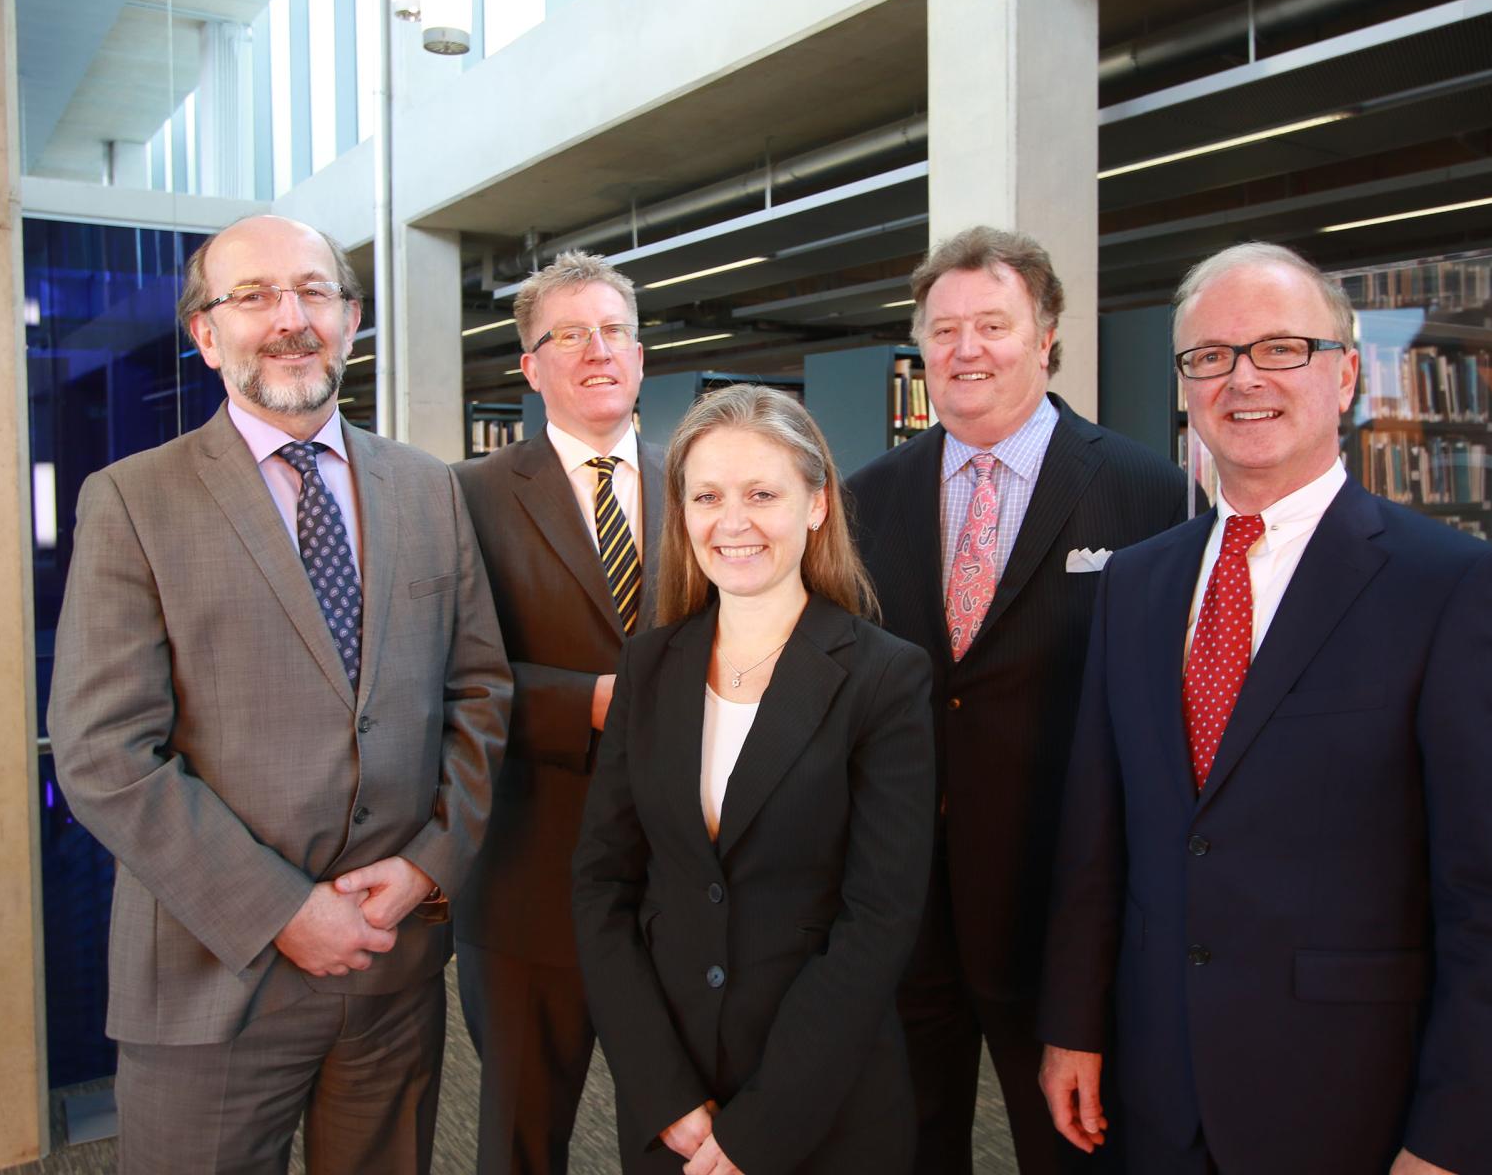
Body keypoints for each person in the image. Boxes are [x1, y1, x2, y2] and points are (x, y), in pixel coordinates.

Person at [1038, 242, 1492, 1175]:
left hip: (1351, 1102)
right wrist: (1074, 1024)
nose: (1243, 380)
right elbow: (1097, 831)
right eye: (1211, 357)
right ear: (1186, 385)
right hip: (1157, 1090)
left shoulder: (1454, 587)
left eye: (1281, 348)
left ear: (1346, 373)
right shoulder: (1140, 581)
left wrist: (1454, 1136)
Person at [49, 214, 510, 1172]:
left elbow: (479, 695)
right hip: (215, 971)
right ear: (205, 333)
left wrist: (430, 864)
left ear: (349, 320)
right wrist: (284, 911)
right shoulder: (135, 500)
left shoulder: (429, 490)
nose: (288, 318)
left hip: (393, 960)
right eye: (253, 295)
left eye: (313, 292)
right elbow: (103, 752)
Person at [846, 225, 1190, 1171]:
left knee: (1069, 1149)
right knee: (909, 1144)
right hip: (903, 902)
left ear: (1046, 337)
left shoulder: (1145, 491)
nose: (966, 349)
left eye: (992, 324)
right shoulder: (865, 499)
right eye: (944, 328)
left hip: (1060, 906)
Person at [573, 384, 936, 1174]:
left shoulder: (884, 678)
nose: (731, 522)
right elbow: (602, 887)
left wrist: (758, 1131)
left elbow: (878, 921)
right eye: (706, 496)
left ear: (816, 505)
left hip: (821, 1104)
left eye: (762, 494)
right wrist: (659, 1090)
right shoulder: (650, 665)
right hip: (674, 1102)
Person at [453, 251, 666, 1174]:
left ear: (641, 353)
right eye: (568, 335)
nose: (597, 351)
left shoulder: (699, 483)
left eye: (613, 330)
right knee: (520, 1138)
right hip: (529, 885)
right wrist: (590, 703)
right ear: (531, 367)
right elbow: (447, 675)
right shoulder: (467, 497)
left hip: (678, 888)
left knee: (676, 1135)